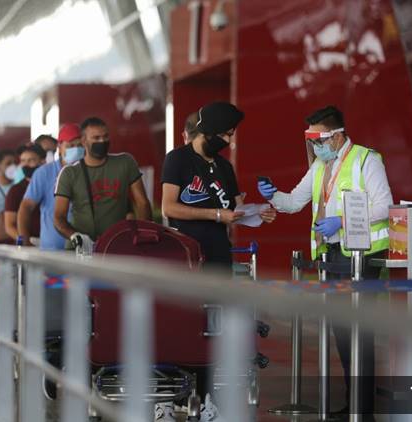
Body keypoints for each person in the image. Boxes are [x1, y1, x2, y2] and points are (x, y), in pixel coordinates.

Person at [258, 105, 392, 418]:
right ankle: (352, 406)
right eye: (312, 141)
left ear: (337, 135)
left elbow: (385, 206)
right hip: (331, 257)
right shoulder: (321, 165)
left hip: (362, 257)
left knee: (361, 334)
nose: (315, 147)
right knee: (343, 335)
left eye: (319, 140)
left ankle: (364, 410)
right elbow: (293, 202)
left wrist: (341, 221)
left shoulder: (365, 160)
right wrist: (271, 194)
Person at [162, 102, 276, 273]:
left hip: (219, 256)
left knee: (220, 300)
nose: (228, 141)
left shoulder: (225, 166)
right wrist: (215, 215)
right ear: (208, 131)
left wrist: (259, 213)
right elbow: (168, 207)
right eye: (224, 134)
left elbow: (236, 209)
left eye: (231, 135)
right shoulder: (177, 159)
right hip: (186, 255)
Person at [53, 117, 152, 249]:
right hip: (81, 250)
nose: (102, 141)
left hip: (116, 247)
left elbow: (142, 203)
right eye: (96, 138)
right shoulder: (69, 173)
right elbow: (58, 217)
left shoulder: (125, 162)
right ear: (83, 141)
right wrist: (75, 236)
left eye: (105, 137)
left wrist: (142, 236)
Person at [19, 124, 84, 250]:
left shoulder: (89, 172)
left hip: (83, 250)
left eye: (79, 145)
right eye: (70, 145)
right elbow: (26, 207)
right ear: (60, 147)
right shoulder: (44, 173)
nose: (76, 149)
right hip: (52, 254)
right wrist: (25, 242)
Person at [4, 143, 45, 244]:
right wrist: (25, 241)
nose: (26, 164)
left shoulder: (52, 185)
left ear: (42, 162)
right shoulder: (16, 190)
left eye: (31, 160)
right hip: (28, 245)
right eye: (23, 161)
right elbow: (9, 225)